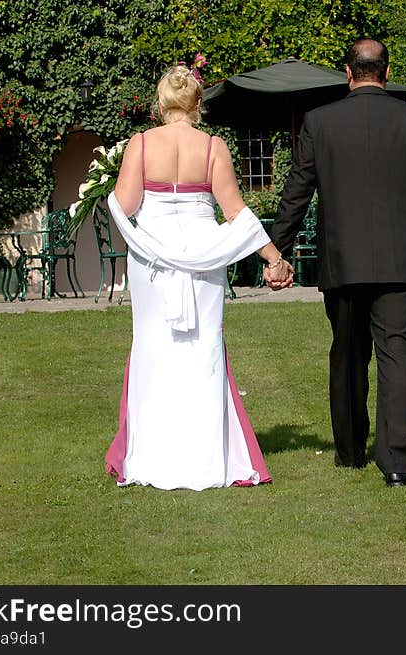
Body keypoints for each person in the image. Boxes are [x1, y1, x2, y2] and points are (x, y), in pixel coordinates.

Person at [266, 38, 406, 487]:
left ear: (348, 74)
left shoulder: (319, 122)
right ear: (386, 73)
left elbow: (296, 192)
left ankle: (351, 452)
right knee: (399, 359)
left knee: (348, 357)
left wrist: (277, 253)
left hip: (343, 264)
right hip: (403, 265)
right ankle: (396, 462)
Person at [103, 63, 294, 490]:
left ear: (161, 101)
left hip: (151, 261)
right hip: (205, 256)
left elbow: (125, 205)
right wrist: (272, 256)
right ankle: (205, 457)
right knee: (203, 347)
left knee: (153, 347)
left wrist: (151, 231)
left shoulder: (140, 144)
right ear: (197, 103)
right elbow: (235, 212)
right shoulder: (212, 147)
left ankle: (152, 454)